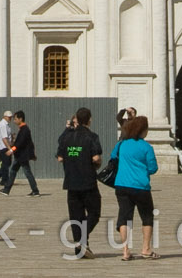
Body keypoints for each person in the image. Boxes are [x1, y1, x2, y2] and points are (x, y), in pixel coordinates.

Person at [55, 106, 104, 259]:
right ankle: (81, 240)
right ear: (89, 120)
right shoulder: (92, 137)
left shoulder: (67, 138)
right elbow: (96, 158)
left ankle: (80, 247)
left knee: (76, 216)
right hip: (88, 181)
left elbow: (60, 158)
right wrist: (96, 163)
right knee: (94, 212)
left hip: (71, 182)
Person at [108, 114, 159, 260]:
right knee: (147, 216)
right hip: (141, 186)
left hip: (121, 184)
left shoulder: (122, 144)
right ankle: (146, 249)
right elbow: (153, 168)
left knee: (124, 216)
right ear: (143, 130)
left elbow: (113, 157)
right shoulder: (146, 147)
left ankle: (125, 250)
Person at [0, 110, 39, 196]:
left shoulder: (24, 130)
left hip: (22, 156)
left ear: (20, 119)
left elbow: (20, 143)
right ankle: (6, 190)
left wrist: (11, 150)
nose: (14, 121)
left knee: (27, 172)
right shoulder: (22, 129)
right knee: (13, 171)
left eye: (15, 119)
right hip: (20, 156)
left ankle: (35, 191)